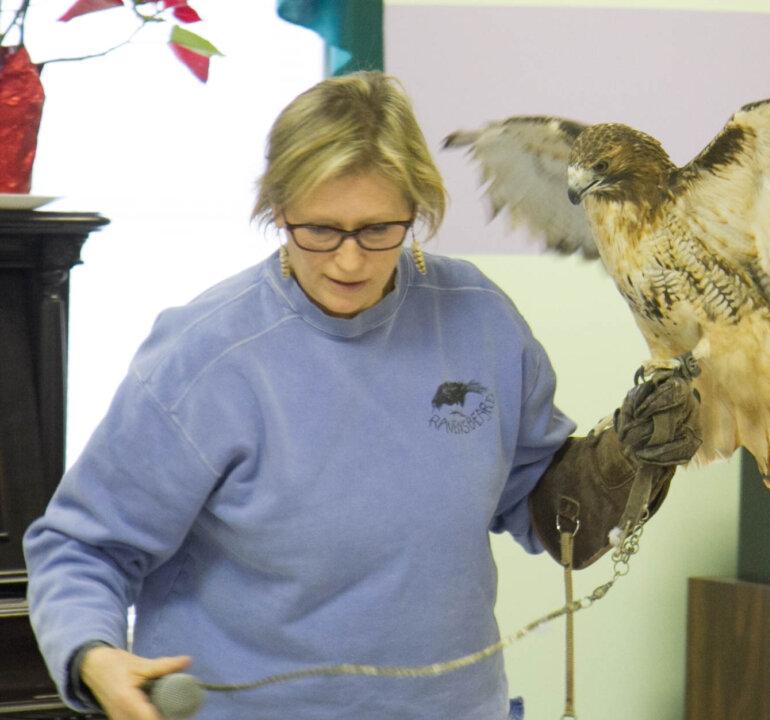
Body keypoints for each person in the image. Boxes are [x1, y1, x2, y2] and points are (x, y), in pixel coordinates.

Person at [23, 72, 701, 720]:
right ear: (278, 208)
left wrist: (628, 462)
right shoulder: (205, 356)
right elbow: (83, 548)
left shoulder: (478, 318)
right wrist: (95, 656)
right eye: (319, 230)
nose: (349, 261)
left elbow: (554, 515)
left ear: (418, 209)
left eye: (379, 230)